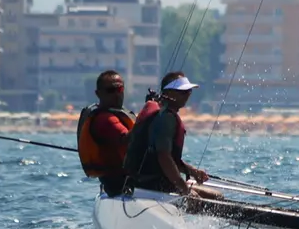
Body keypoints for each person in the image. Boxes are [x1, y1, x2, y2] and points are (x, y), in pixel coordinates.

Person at [124, 72, 221, 200]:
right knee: (217, 197)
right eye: (183, 91)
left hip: (145, 181)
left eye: (189, 91)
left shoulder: (161, 111)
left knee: (214, 196)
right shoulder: (166, 118)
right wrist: (185, 190)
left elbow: (168, 158)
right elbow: (164, 157)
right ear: (168, 93)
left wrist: (193, 172)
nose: (187, 95)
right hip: (153, 185)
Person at [76, 70, 135, 197]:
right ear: (98, 94)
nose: (116, 95)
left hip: (129, 181)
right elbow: (127, 138)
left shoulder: (117, 114)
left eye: (119, 89)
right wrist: (149, 113)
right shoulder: (104, 119)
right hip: (120, 185)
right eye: (110, 90)